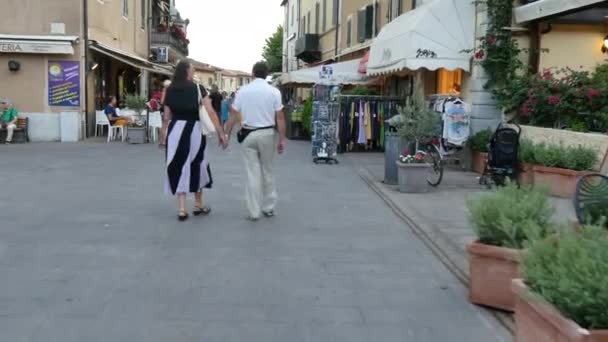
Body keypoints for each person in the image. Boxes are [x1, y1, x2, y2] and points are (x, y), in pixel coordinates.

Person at [161, 60, 228, 221]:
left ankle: (182, 209)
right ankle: (198, 204)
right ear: (186, 71)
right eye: (192, 70)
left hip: (176, 130)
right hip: (194, 130)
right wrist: (221, 133)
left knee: (179, 164)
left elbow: (166, 117)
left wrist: (163, 137)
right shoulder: (198, 88)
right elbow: (211, 112)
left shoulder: (169, 89)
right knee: (198, 163)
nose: (193, 73)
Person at [225, 62, 287, 221]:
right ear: (266, 74)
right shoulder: (274, 92)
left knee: (252, 173)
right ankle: (269, 207)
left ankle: (253, 211)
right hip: (267, 133)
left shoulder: (243, 92)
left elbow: (232, 115)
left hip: (248, 134)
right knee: (268, 170)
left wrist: (226, 135)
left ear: (252, 73)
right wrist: (282, 139)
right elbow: (280, 117)